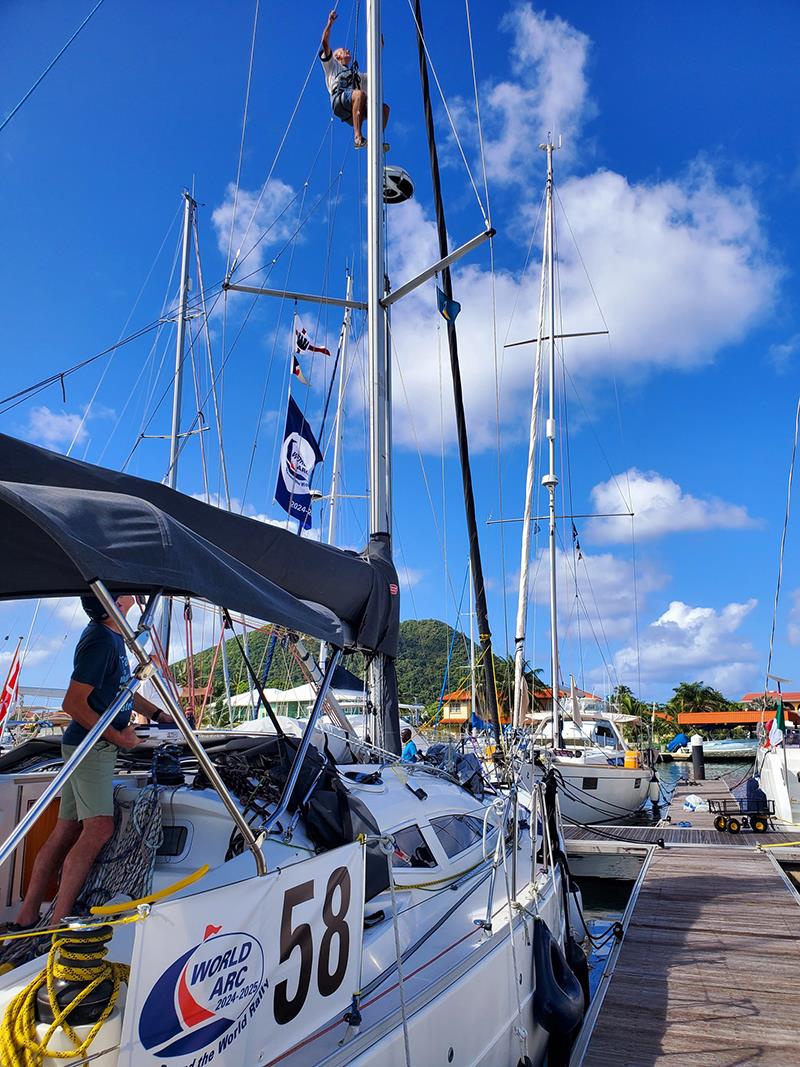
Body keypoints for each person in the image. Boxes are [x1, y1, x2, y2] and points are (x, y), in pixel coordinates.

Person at [7, 594, 169, 930]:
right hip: (90, 749)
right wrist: (119, 737)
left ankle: (27, 917)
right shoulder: (101, 641)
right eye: (126, 592)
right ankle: (58, 924)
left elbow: (120, 689)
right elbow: (73, 703)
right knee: (100, 828)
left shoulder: (112, 636)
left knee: (67, 829)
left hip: (87, 747)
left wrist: (157, 714)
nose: (135, 597)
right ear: (115, 602)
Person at [319, 9, 389, 149]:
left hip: (356, 108)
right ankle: (357, 137)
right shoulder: (332, 66)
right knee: (359, 94)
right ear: (337, 56)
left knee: (384, 108)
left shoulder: (358, 76)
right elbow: (325, 43)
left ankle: (377, 141)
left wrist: (378, 49)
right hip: (340, 101)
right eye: (344, 50)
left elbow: (374, 74)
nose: (348, 51)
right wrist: (330, 23)